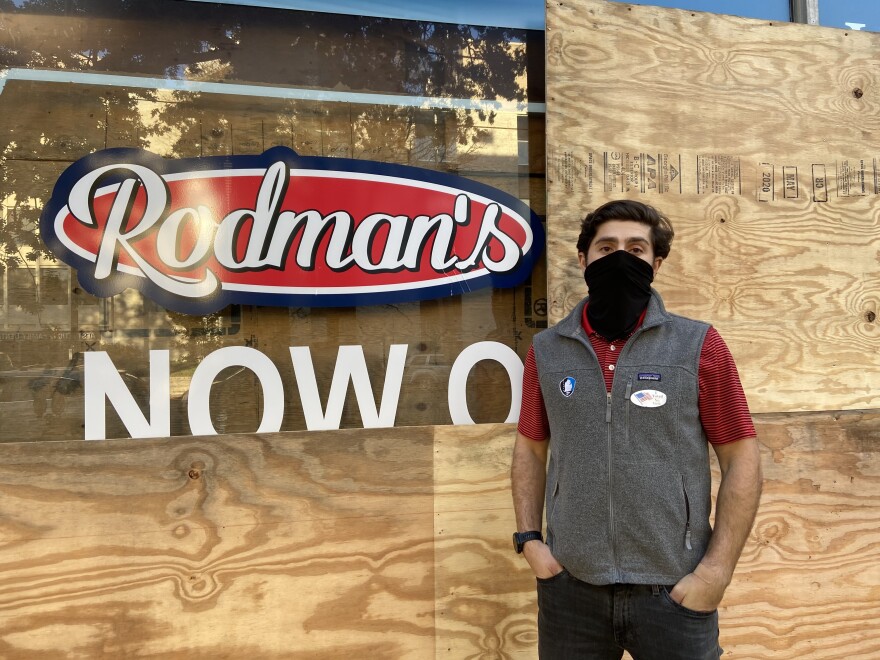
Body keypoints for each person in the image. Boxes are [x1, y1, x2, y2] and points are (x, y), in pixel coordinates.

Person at [511, 200, 762, 659]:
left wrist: (716, 572)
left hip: (675, 592)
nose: (620, 258)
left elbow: (741, 456)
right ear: (583, 259)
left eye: (636, 249)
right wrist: (530, 541)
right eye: (606, 247)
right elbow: (530, 447)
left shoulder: (699, 345)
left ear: (656, 263)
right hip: (572, 590)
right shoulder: (547, 351)